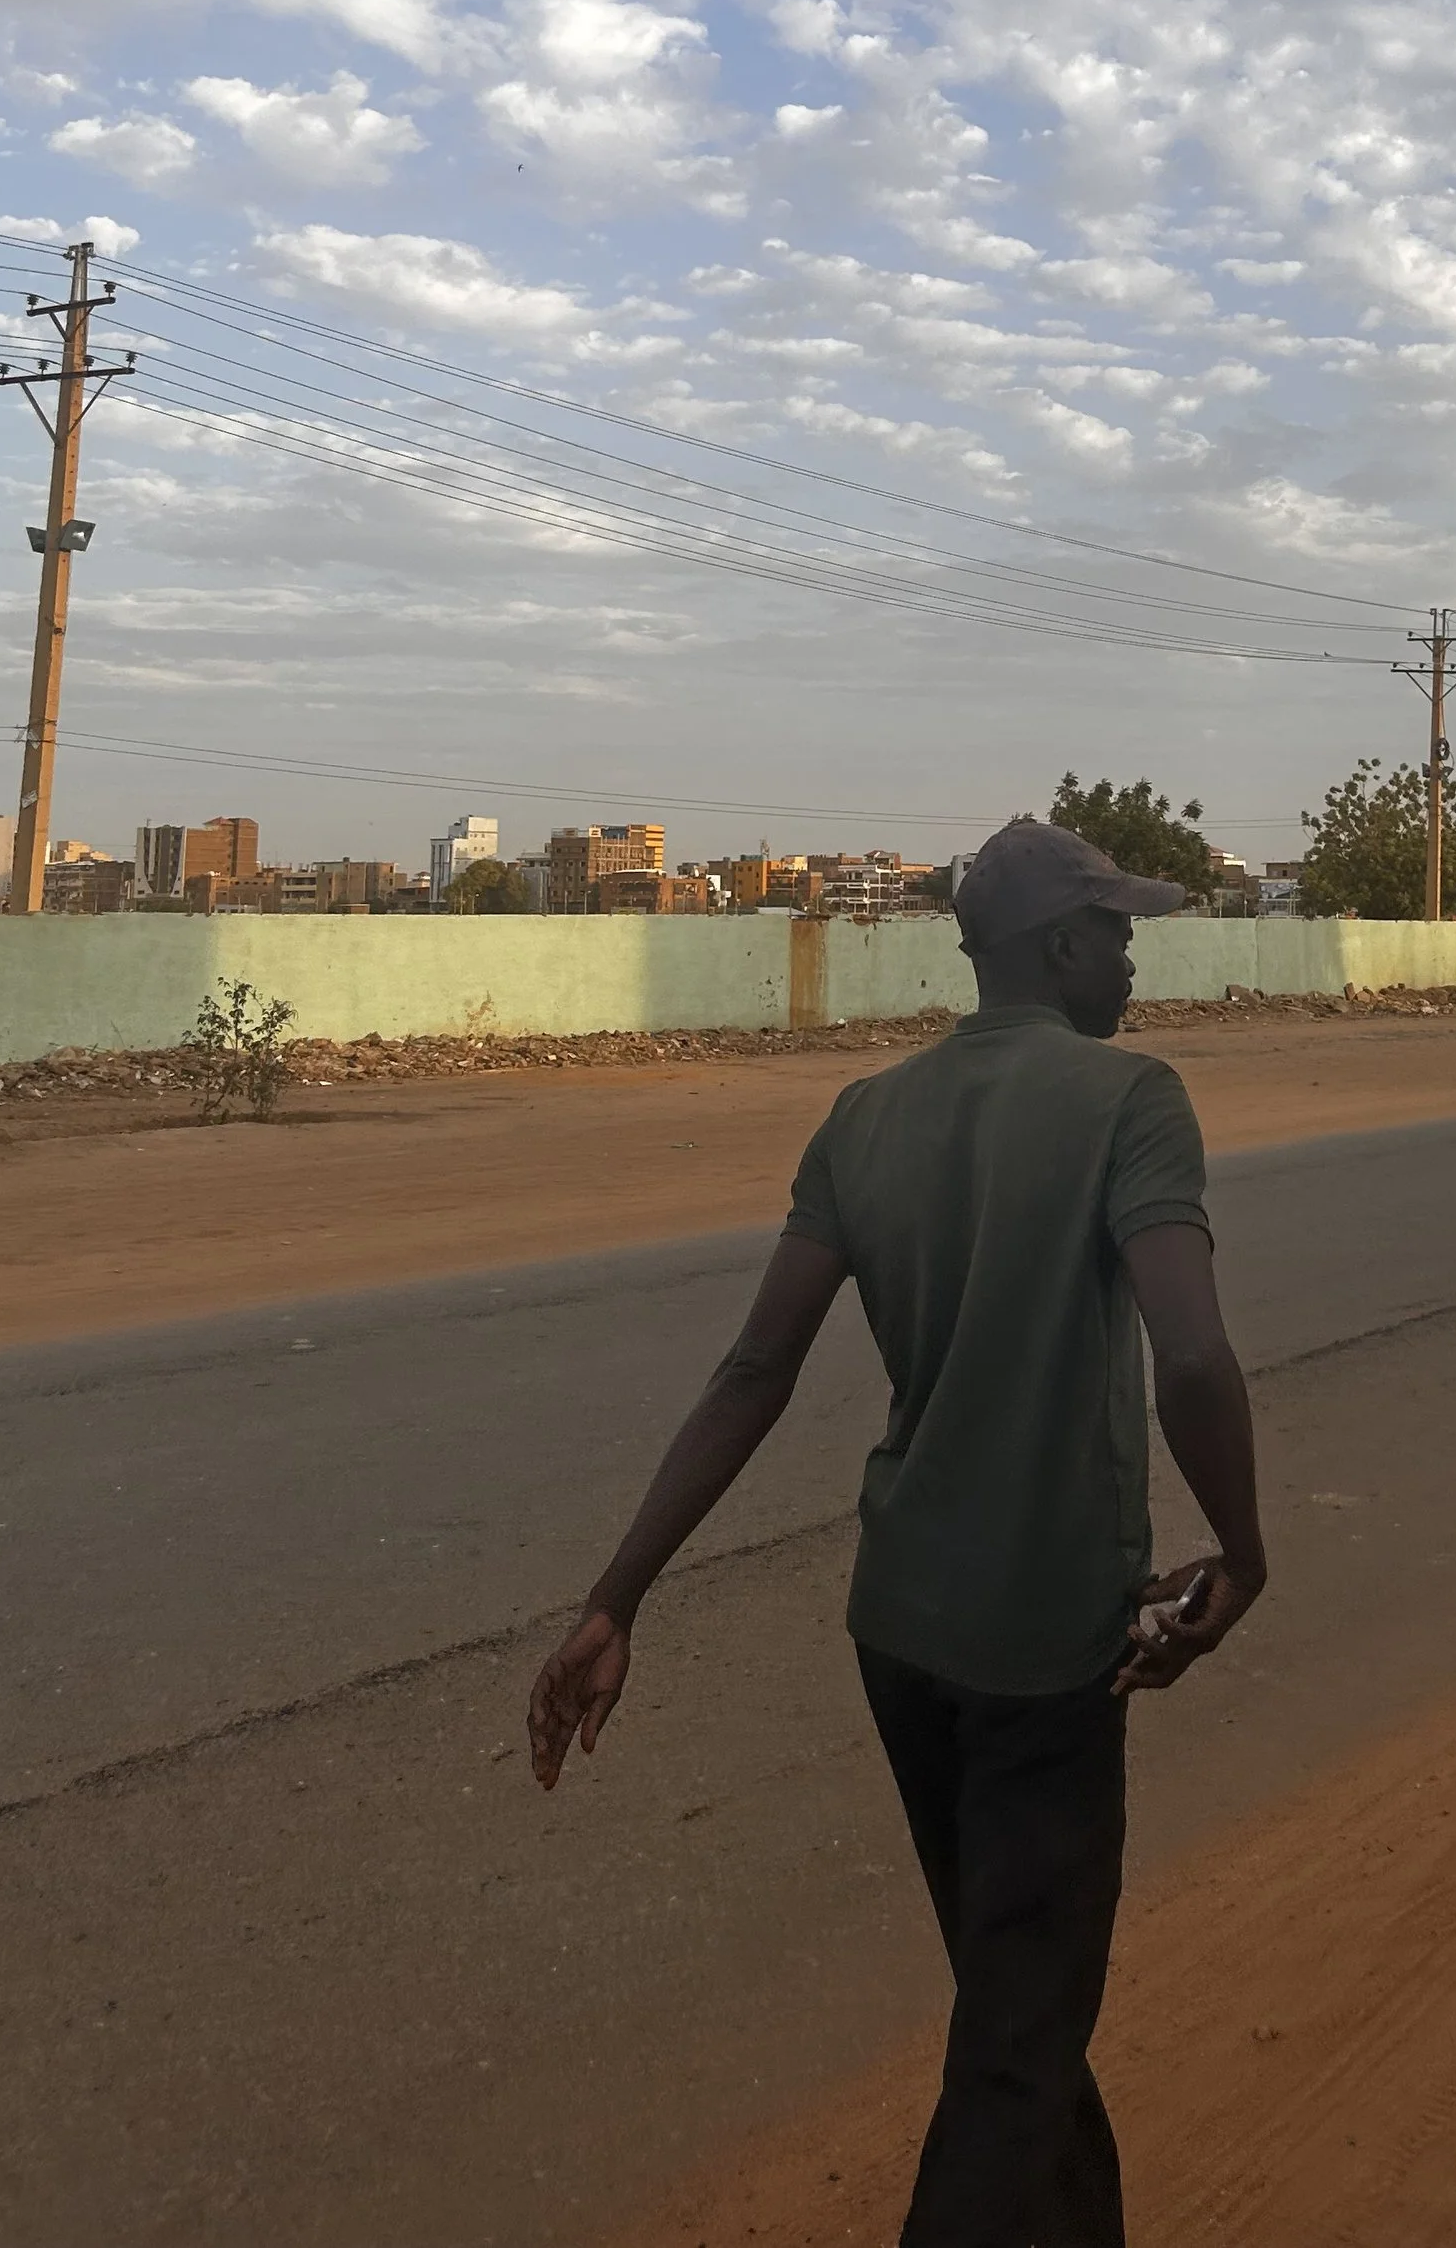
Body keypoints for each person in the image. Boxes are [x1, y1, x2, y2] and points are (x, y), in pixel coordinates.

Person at [528, 814, 1268, 2245]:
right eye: (1116, 930)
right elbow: (1190, 1355)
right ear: (1060, 949)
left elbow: (754, 1372)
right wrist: (1243, 1555)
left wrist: (618, 1596)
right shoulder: (1133, 1101)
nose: (1130, 956)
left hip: (901, 1639)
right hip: (1046, 1647)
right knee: (1016, 2037)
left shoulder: (864, 1118)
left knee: (1017, 1994)